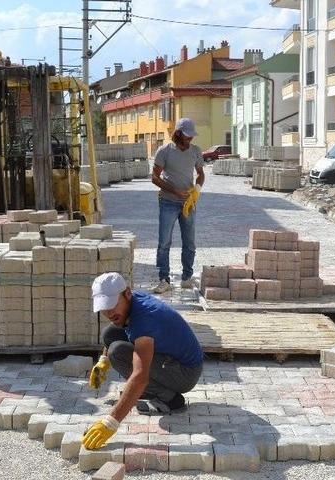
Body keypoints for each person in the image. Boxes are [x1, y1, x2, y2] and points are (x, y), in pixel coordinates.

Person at [82, 272, 204, 450]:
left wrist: (111, 422)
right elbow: (114, 329)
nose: (109, 312)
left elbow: (140, 376)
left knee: (118, 352)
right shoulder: (133, 302)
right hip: (173, 360)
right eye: (104, 307)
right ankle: (146, 392)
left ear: (127, 294)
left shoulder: (144, 320)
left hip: (185, 372)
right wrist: (103, 361)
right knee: (110, 333)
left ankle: (170, 399)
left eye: (113, 304)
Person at [151, 118, 205, 294]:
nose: (190, 139)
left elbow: (201, 174)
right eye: (187, 136)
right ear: (179, 133)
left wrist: (197, 189)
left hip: (188, 204)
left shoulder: (196, 151)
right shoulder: (164, 151)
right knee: (164, 242)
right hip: (168, 202)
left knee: (189, 243)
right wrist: (174, 190)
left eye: (192, 136)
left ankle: (187, 278)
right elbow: (155, 178)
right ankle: (164, 280)